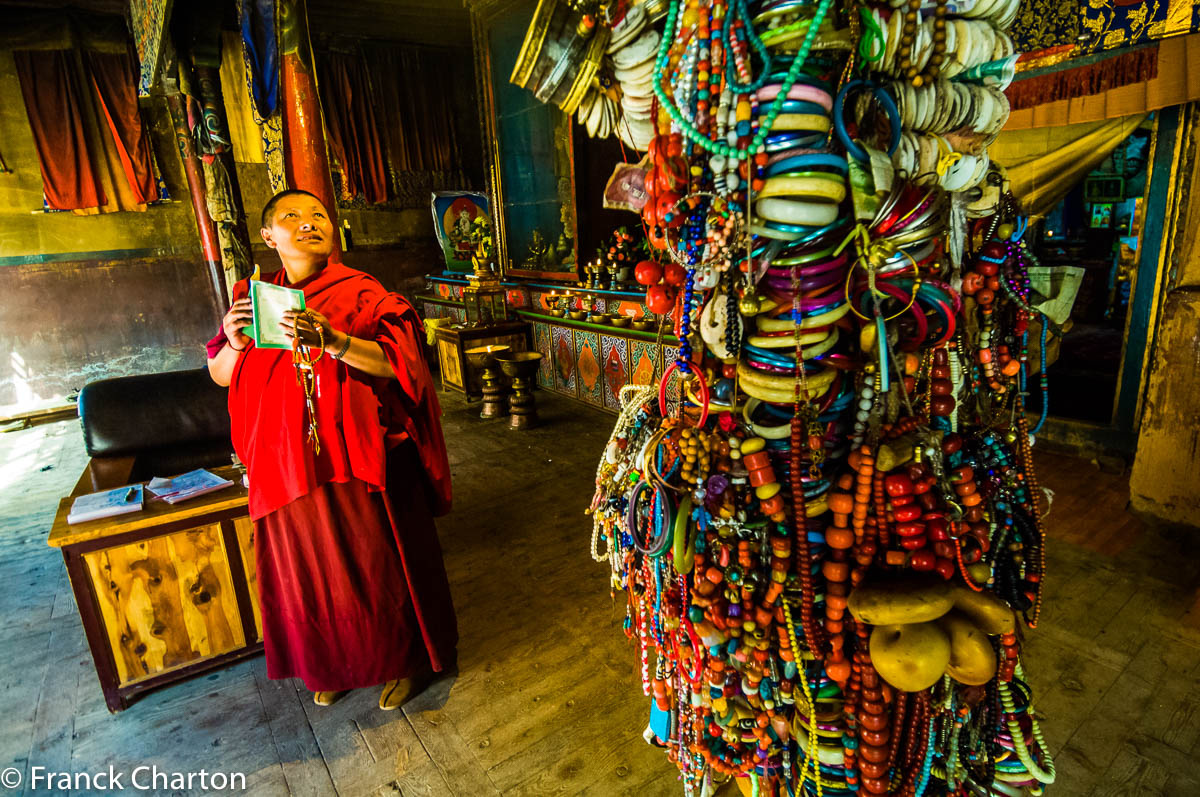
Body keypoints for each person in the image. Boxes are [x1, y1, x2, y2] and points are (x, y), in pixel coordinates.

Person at [206, 188, 457, 709]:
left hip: (353, 455)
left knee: (374, 565)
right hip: (280, 463)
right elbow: (221, 375)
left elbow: (401, 365)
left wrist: (335, 341)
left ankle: (406, 661)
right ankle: (332, 663)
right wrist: (233, 342)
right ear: (268, 235)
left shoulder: (361, 292)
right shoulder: (251, 300)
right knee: (309, 572)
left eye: (319, 215)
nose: (308, 223)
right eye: (291, 216)